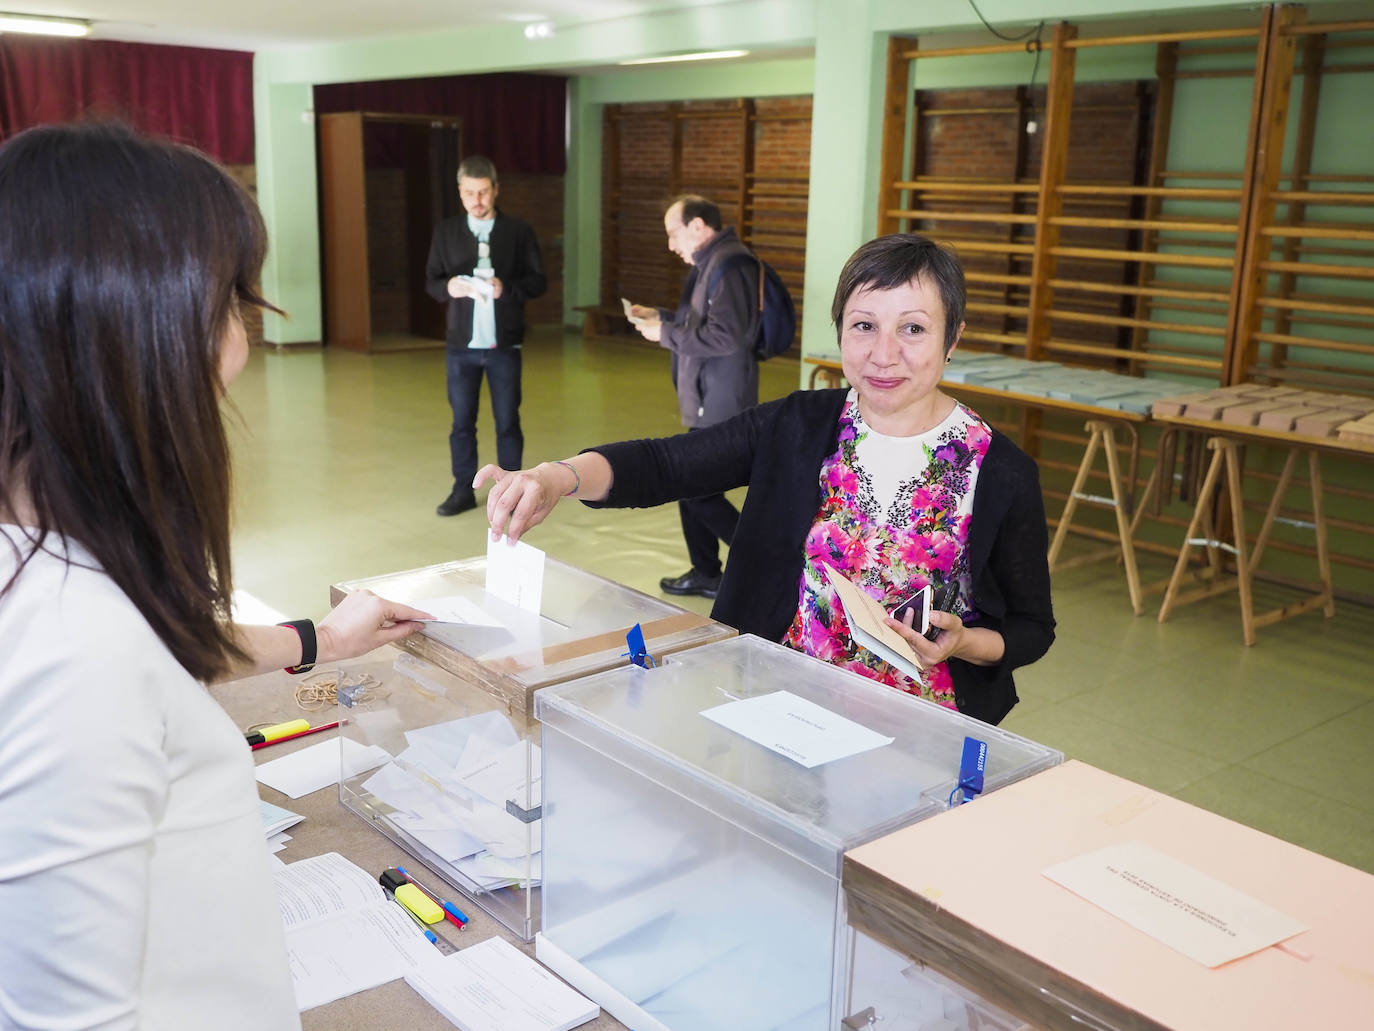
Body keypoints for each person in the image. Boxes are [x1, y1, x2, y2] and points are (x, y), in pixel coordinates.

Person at [0, 122, 432, 1030]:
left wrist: (320, 638)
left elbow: (153, 641)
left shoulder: (53, 561)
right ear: (138, 332)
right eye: (233, 300)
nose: (244, 343)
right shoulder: (74, 645)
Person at [479, 234, 1055, 725]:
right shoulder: (798, 424)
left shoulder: (1000, 471)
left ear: (952, 339)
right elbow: (667, 464)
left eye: (912, 329)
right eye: (863, 325)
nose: (883, 354)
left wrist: (964, 643)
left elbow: (1032, 627)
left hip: (922, 724)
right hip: (777, 699)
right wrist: (557, 476)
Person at [624, 195, 760, 600]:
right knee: (691, 485)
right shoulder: (712, 263)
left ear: (698, 227)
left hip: (720, 400)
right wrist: (662, 317)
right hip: (709, 395)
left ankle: (758, 559)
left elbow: (727, 335)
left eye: (673, 233)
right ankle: (705, 571)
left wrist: (664, 334)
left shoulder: (730, 265)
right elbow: (704, 322)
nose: (671, 244)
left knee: (698, 489)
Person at [425, 155, 547, 517]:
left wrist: (505, 288)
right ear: (460, 193)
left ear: (496, 190)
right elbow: (431, 282)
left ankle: (511, 493)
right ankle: (463, 489)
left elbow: (539, 281)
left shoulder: (518, 232)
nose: (476, 200)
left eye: (483, 192)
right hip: (461, 347)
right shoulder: (446, 232)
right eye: (469, 194)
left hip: (504, 346)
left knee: (508, 421)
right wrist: (449, 286)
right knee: (462, 421)